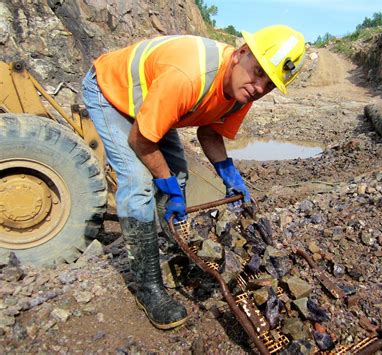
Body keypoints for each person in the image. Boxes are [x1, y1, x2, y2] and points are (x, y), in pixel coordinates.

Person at [82, 24, 305, 330]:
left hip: (157, 101)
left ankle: (174, 251)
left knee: (179, 175)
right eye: (258, 72)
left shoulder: (243, 93)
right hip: (113, 92)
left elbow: (210, 132)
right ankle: (148, 287)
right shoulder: (190, 76)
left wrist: (229, 174)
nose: (259, 86)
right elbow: (141, 140)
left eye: (269, 84)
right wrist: (166, 184)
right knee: (138, 184)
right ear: (241, 53)